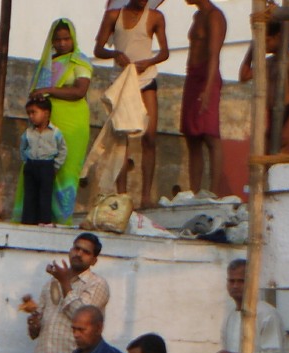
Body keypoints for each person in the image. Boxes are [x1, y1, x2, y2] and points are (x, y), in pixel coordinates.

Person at [17, 18, 92, 225]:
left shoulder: (80, 60)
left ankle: (62, 221)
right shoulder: (47, 64)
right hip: (47, 122)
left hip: (73, 122)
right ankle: (38, 219)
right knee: (41, 169)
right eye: (57, 39)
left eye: (66, 39)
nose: (61, 43)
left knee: (66, 170)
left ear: (73, 39)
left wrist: (48, 90)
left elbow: (79, 90)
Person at [95, 0, 169, 208]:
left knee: (150, 136)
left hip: (146, 79)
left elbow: (164, 52)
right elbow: (98, 49)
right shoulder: (113, 16)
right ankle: (122, 194)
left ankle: (146, 196)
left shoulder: (155, 17)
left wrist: (149, 62)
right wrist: (115, 54)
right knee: (121, 139)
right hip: (122, 80)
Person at [181, 0, 226, 195]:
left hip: (207, 77)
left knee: (210, 134)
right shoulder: (198, 16)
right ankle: (194, 191)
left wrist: (207, 89)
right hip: (192, 76)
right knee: (192, 135)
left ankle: (213, 192)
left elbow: (214, 55)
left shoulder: (214, 16)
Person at [239, 22, 289, 154]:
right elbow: (244, 76)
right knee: (267, 160)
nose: (264, 45)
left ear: (278, 37)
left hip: (286, 115)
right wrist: (252, 48)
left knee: (281, 160)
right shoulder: (269, 62)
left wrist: (288, 126)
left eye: (267, 40)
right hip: (271, 115)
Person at [19, 97, 68, 226]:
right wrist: (26, 161)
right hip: (31, 166)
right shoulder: (28, 132)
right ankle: (28, 221)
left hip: (47, 166)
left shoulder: (55, 133)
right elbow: (23, 147)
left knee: (45, 195)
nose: (31, 116)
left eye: (34, 112)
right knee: (29, 195)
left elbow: (62, 150)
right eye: (29, 113)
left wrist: (55, 166)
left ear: (46, 113)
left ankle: (44, 221)